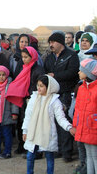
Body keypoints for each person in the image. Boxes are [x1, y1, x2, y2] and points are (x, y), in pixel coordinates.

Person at [22, 75, 76, 174]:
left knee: (49, 156)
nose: (39, 88)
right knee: (30, 156)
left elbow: (60, 118)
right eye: (38, 85)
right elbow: (28, 116)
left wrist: (69, 127)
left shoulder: (54, 101)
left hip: (47, 133)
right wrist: (25, 130)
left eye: (41, 86)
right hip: (33, 132)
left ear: (49, 87)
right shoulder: (34, 98)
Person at [44, 32, 79, 162]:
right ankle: (57, 149)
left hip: (66, 93)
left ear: (60, 42)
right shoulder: (49, 57)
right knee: (54, 122)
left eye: (53, 42)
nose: (51, 45)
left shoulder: (71, 55)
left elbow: (72, 72)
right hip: (52, 94)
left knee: (64, 121)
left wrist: (55, 75)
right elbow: (46, 71)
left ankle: (67, 152)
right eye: (50, 43)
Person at [6, 47, 44, 155]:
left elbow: (40, 86)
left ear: (33, 57)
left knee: (34, 125)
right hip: (24, 100)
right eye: (22, 57)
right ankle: (23, 146)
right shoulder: (24, 68)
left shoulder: (38, 69)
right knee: (23, 123)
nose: (24, 59)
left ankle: (36, 150)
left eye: (26, 57)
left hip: (34, 99)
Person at [73, 58, 97, 174]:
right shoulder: (81, 88)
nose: (78, 72)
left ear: (88, 73)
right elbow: (77, 109)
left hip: (93, 129)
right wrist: (75, 125)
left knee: (95, 157)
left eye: (81, 70)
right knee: (89, 155)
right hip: (84, 128)